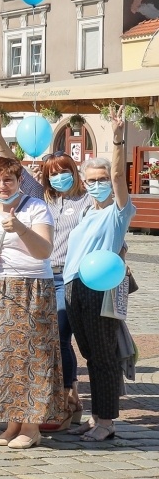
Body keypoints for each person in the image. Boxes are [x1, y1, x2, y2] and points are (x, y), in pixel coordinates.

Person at [0, 156, 62, 449]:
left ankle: (31, 426)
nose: (2, 185)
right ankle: (12, 421)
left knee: (32, 356)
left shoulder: (36, 207)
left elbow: (44, 251)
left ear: (18, 180)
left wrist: (21, 227)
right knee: (2, 356)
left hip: (32, 287)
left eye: (8, 180)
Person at [61, 126, 134, 443]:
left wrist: (117, 139)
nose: (96, 185)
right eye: (90, 180)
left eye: (101, 179)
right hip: (74, 285)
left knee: (104, 356)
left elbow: (119, 177)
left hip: (99, 287)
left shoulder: (119, 212)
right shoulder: (88, 211)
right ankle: (97, 416)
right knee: (90, 354)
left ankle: (107, 421)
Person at [39, 153, 93, 426]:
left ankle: (67, 397)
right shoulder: (45, 200)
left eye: (64, 171)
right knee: (50, 339)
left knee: (60, 335)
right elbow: (18, 174)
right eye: (52, 173)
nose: (59, 176)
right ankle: (71, 395)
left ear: (73, 171)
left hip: (70, 277)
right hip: (42, 276)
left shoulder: (86, 200)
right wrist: (0, 138)